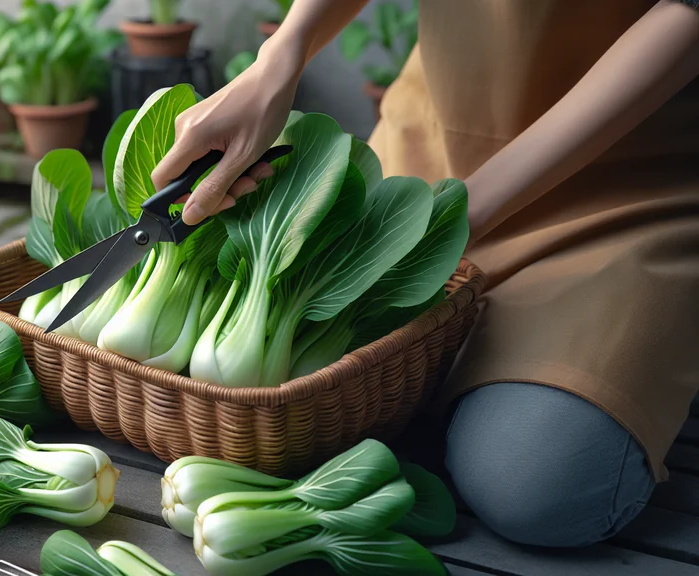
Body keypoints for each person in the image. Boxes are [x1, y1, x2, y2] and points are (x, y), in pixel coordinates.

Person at [151, 0, 699, 547]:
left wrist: (449, 221)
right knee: (290, 413)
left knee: (535, 481)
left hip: (622, 192)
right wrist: (281, 54)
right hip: (429, 155)